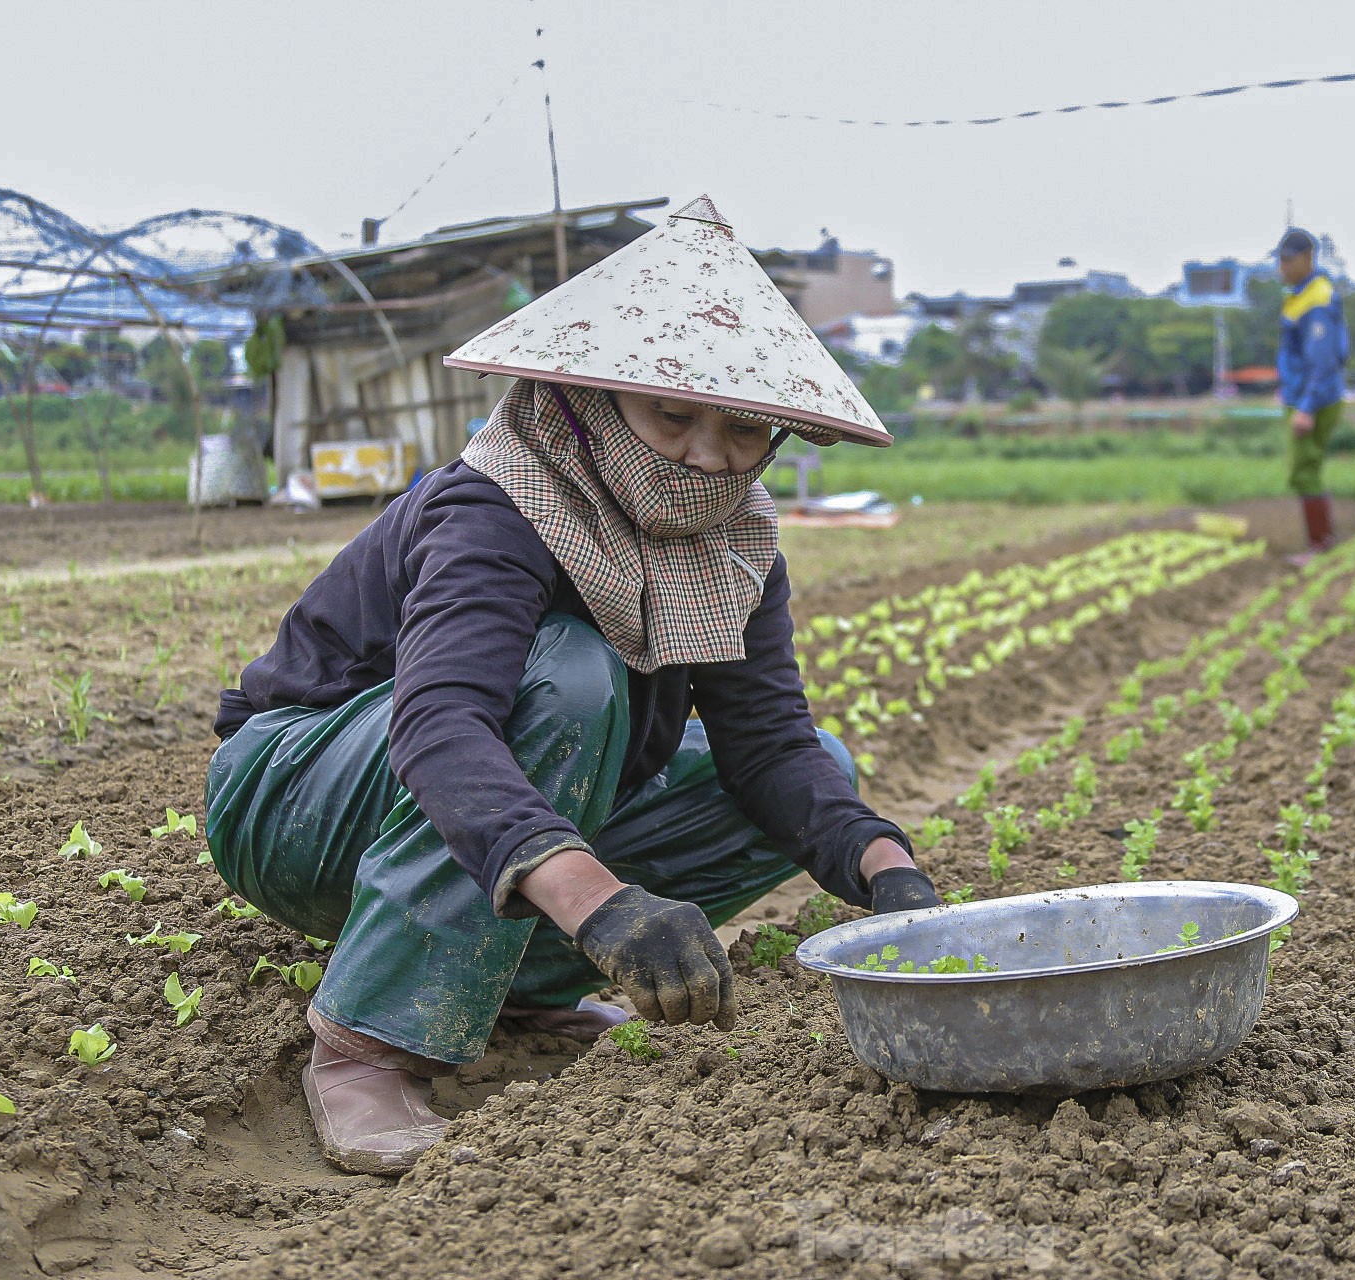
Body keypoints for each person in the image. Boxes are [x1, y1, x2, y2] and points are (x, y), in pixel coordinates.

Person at [203, 196, 942, 1175]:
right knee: (570, 673)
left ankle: (516, 978)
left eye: (746, 429)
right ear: (593, 396)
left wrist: (893, 877)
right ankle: (365, 1045)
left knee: (819, 774)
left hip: (459, 808)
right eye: (672, 413)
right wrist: (604, 904)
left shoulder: (735, 544)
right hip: (297, 797)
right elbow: (441, 724)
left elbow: (768, 746)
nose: (705, 456)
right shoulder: (497, 502)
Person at [1274, 227, 1349, 562]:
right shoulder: (1303, 295)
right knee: (1306, 469)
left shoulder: (1316, 300)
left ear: (1307, 258)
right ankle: (1322, 541)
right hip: (1304, 395)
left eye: (1288, 260)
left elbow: (1323, 359)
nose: (1282, 268)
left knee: (1304, 469)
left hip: (1314, 399)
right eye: (1279, 260)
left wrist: (1306, 406)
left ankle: (1320, 546)